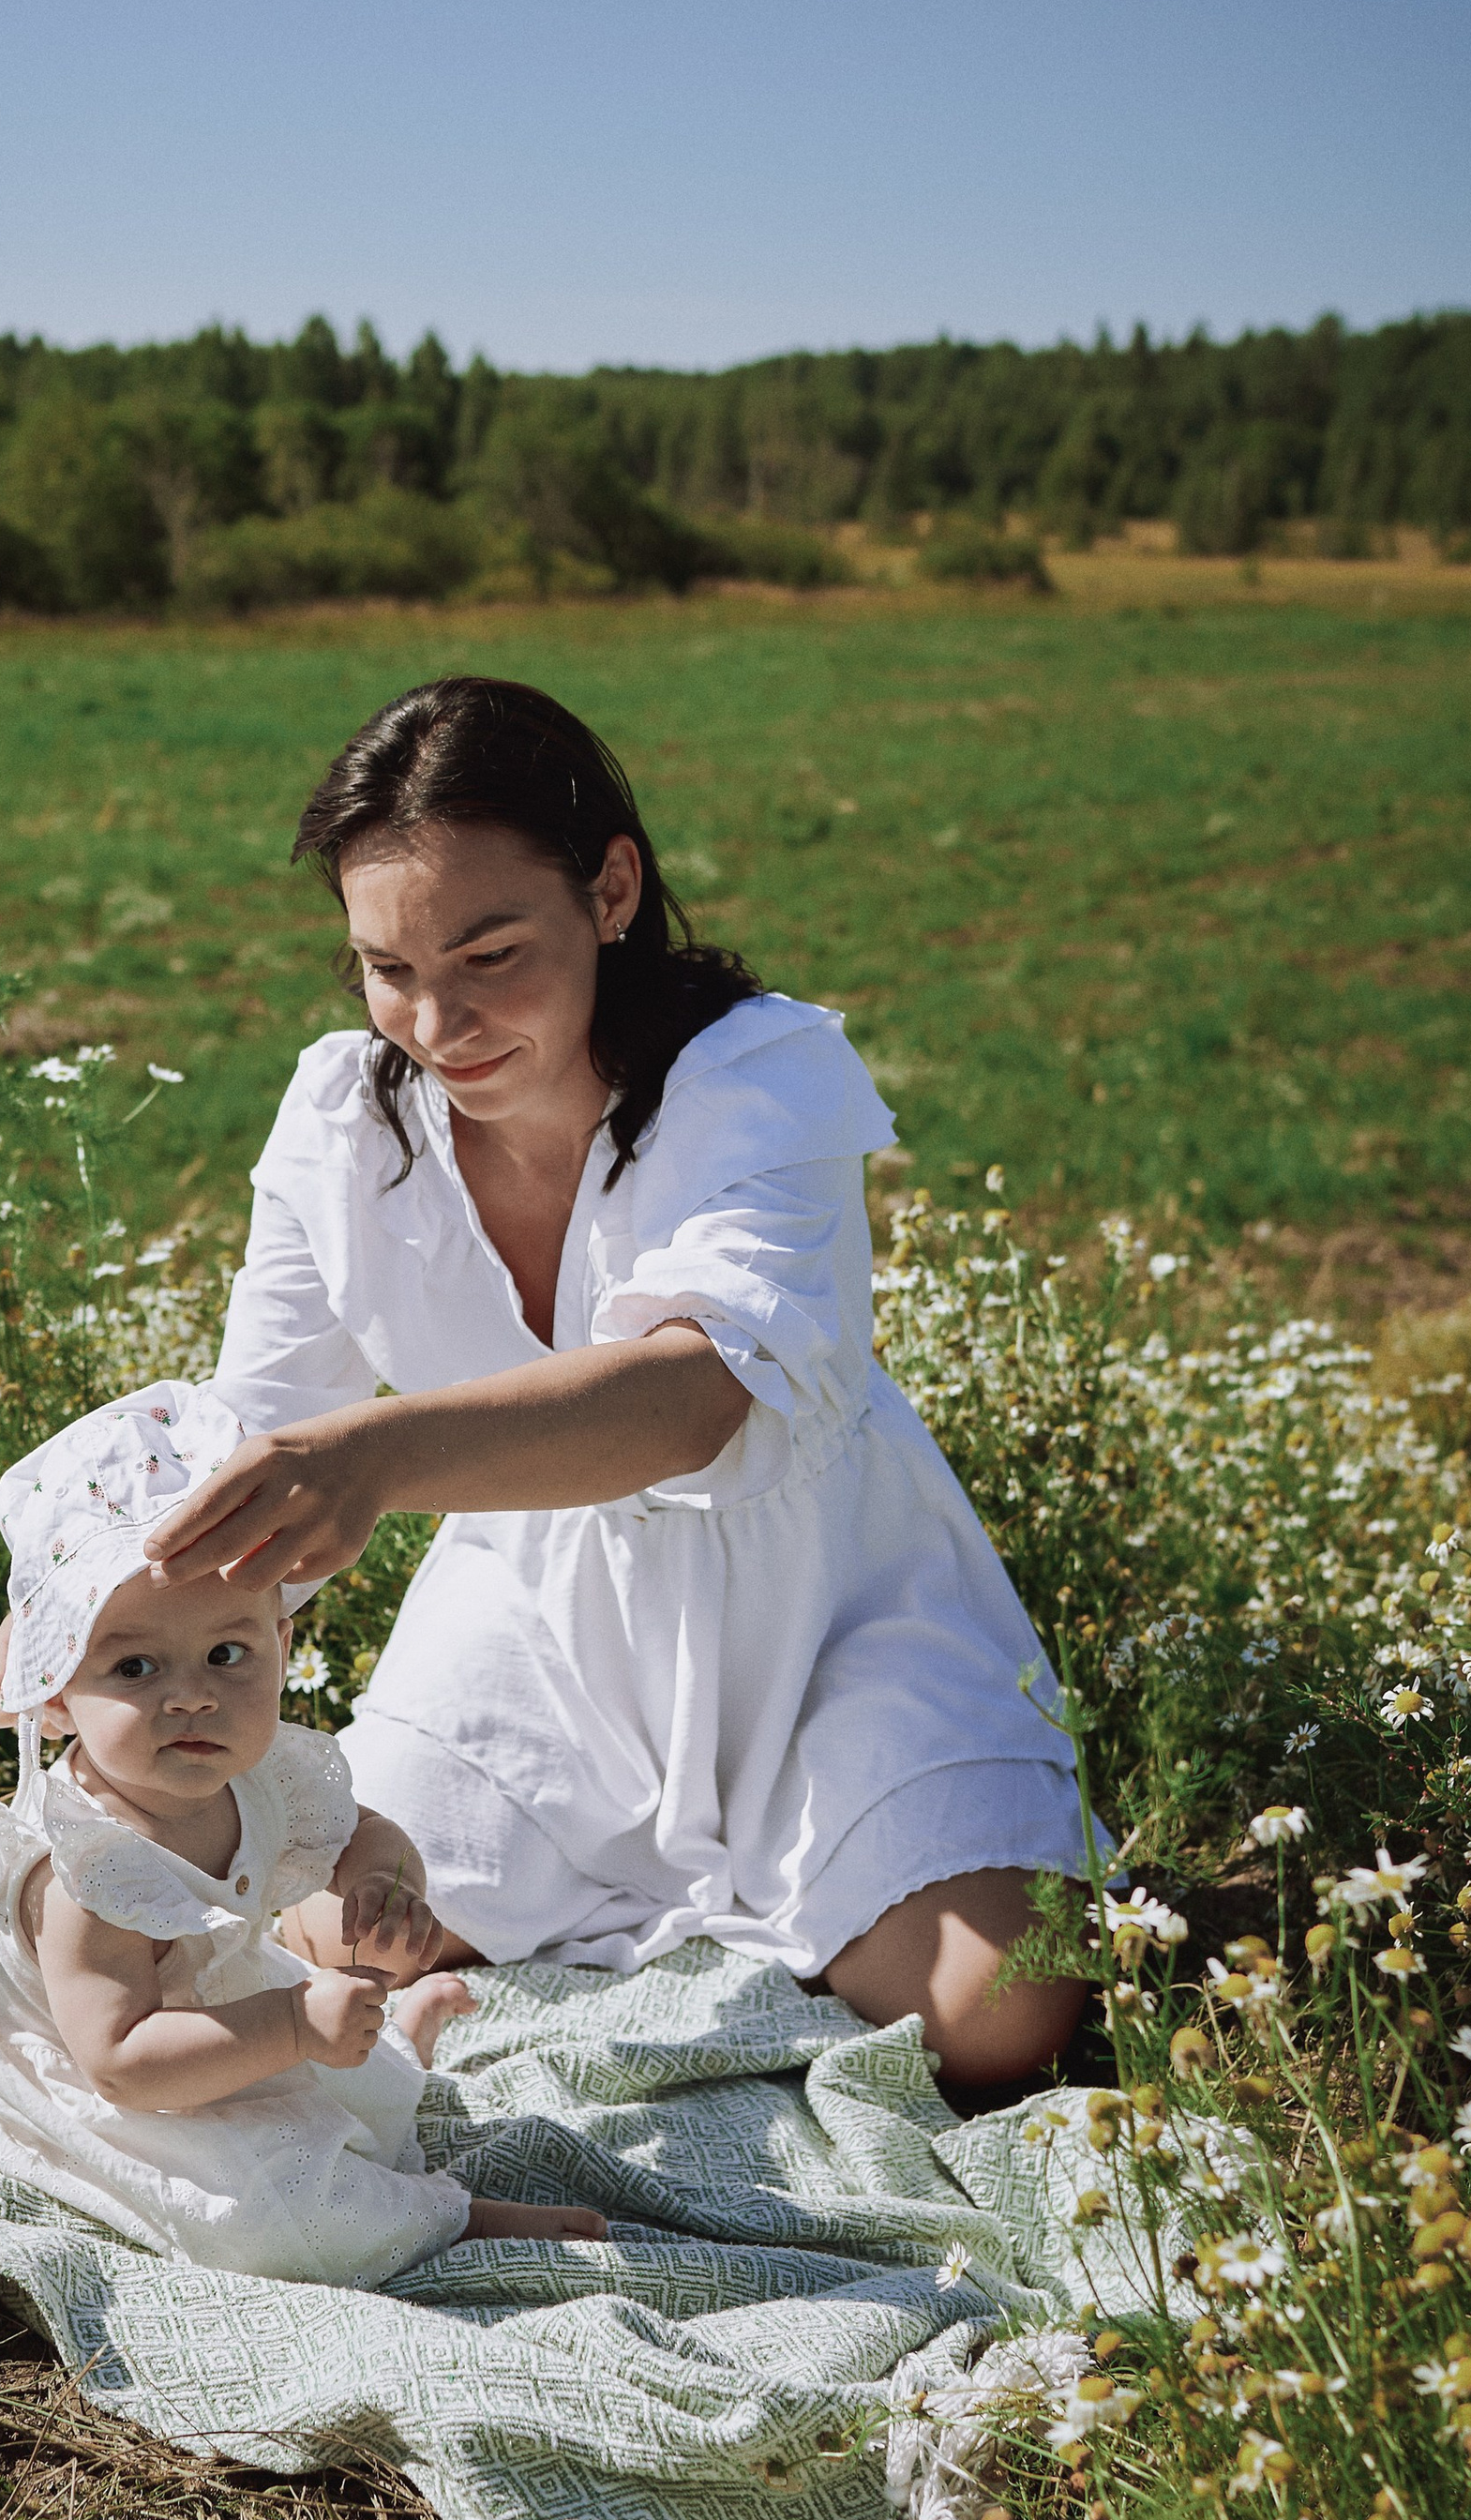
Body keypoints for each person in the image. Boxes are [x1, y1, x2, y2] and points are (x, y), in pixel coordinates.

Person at [142, 676, 1095, 2090]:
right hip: (535, 1628)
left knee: (993, 2015)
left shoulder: (759, 1076)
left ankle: (815, 1892)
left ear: (611, 889)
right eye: (388, 970)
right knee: (331, 1937)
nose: (436, 1020)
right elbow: (253, 1435)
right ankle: (659, 1915)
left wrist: (382, 1458)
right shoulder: (347, 1118)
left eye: (488, 954)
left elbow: (695, 1397)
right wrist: (95, 1615)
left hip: (826, 1619)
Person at [0, 1381, 608, 2281]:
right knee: (261, 2216)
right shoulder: (88, 1870)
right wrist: (288, 2021)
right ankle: (458, 2218)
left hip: (218, 2006)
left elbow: (364, 1834)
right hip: (91, 2067)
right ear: (57, 1696)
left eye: (228, 1653)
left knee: (368, 2089)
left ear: (280, 1641)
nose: (194, 1693)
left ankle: (400, 2038)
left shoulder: (263, 1773)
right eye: (134, 1666)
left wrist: (385, 1885)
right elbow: (121, 2062)